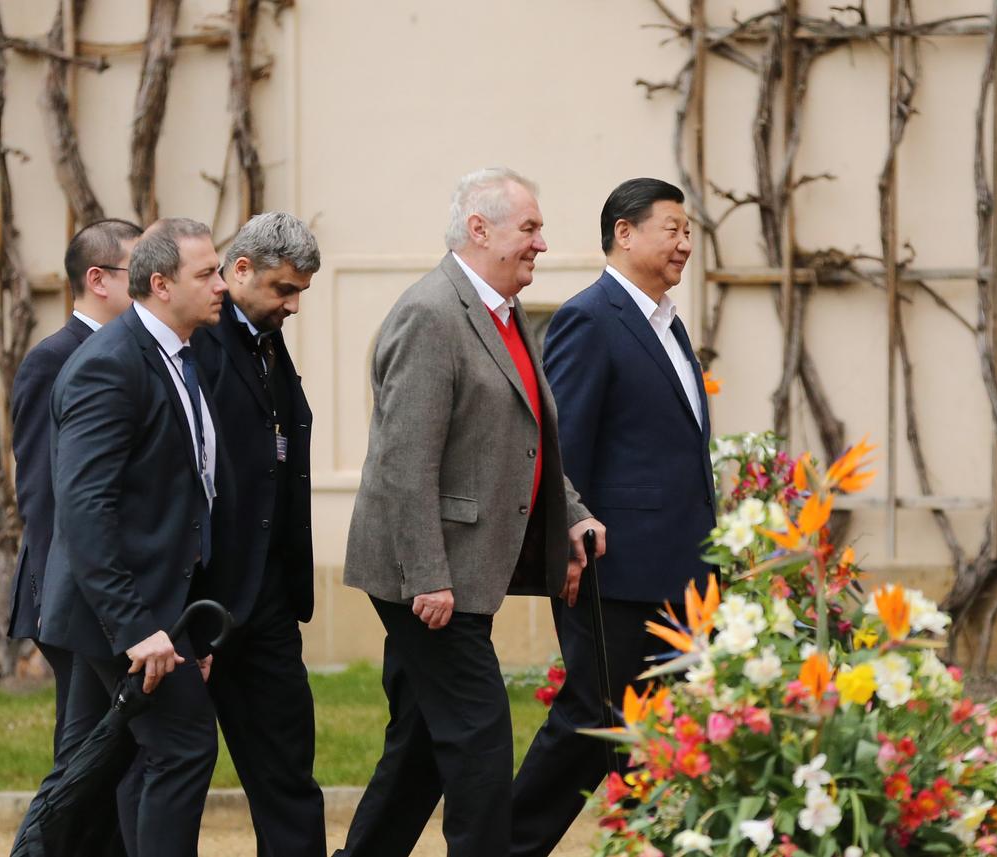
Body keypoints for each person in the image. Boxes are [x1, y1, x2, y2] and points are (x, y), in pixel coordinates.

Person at [335, 168, 604, 857]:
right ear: (479, 230)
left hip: (459, 571)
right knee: (481, 744)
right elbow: (403, 460)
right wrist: (429, 574)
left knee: (424, 744)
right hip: (429, 578)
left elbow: (523, 438)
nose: (542, 244)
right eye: (531, 228)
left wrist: (569, 510)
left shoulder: (500, 313)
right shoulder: (432, 313)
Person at [509, 177, 718, 857]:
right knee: (588, 724)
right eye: (672, 227)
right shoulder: (591, 318)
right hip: (612, 570)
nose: (685, 242)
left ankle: (652, 843)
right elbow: (563, 447)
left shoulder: (669, 323)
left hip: (679, 574)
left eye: (689, 230)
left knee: (660, 732)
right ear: (624, 233)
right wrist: (566, 540)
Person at [39, 217, 228, 857]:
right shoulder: (109, 364)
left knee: (106, 767)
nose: (222, 285)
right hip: (118, 614)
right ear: (160, 284)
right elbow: (84, 509)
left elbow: (184, 491)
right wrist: (137, 629)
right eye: (206, 274)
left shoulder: (179, 353)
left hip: (154, 611)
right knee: (184, 744)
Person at [189, 211, 325, 856]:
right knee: (168, 770)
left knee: (288, 770)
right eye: (283, 289)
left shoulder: (267, 337)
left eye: (299, 291)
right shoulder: (197, 342)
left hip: (267, 597)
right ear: (239, 270)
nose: (293, 304)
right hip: (201, 598)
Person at [9, 218, 142, 855]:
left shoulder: (132, 353)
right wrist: (63, 598)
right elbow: (42, 494)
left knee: (109, 750)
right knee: (85, 754)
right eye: (137, 271)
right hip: (70, 594)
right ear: (98, 280)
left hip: (107, 592)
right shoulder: (52, 360)